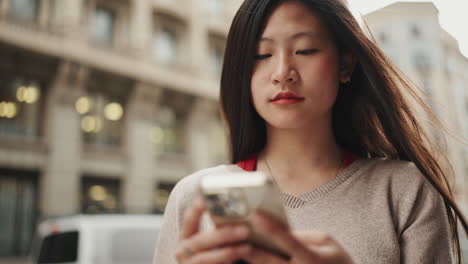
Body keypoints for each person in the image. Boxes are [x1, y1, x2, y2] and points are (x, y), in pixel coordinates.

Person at [153, 0, 468, 263]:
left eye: (305, 50)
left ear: (345, 65)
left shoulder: (405, 191)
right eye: (261, 56)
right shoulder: (192, 197)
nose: (282, 73)